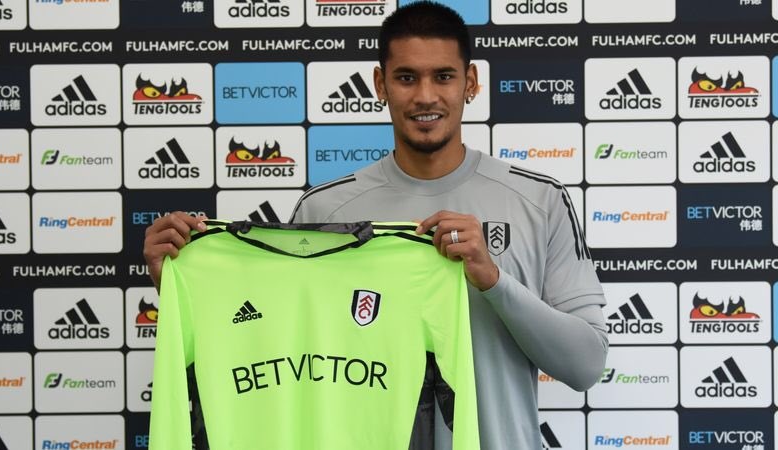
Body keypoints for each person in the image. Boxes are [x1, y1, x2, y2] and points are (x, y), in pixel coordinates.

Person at [143, 2, 608, 449]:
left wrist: (493, 281)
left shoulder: (539, 201)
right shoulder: (324, 210)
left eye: (443, 76)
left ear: (470, 82)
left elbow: (586, 364)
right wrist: (186, 286)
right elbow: (273, 350)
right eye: (406, 78)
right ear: (380, 84)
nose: (425, 96)